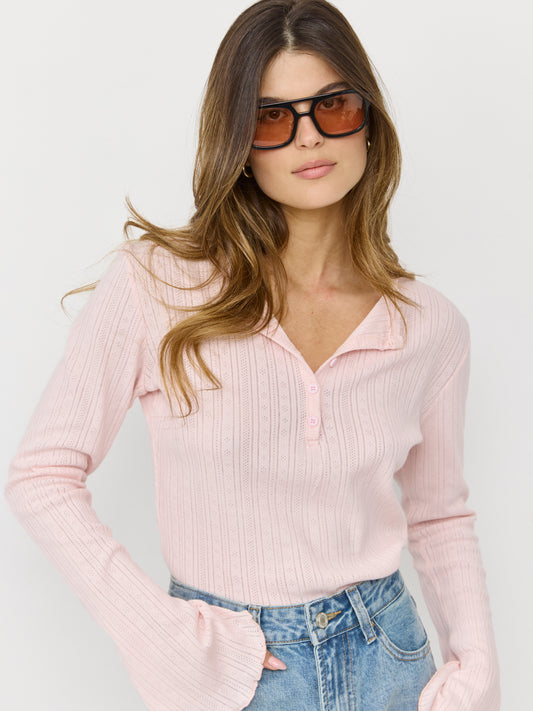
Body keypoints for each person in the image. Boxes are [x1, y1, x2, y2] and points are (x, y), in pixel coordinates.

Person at [5, 1, 500, 709]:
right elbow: (43, 474)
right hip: (231, 670)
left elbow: (439, 514)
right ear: (239, 142)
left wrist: (477, 669)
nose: (309, 136)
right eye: (272, 118)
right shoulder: (158, 285)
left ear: (368, 119)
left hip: (390, 658)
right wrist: (159, 633)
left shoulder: (428, 326)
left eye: (333, 106)